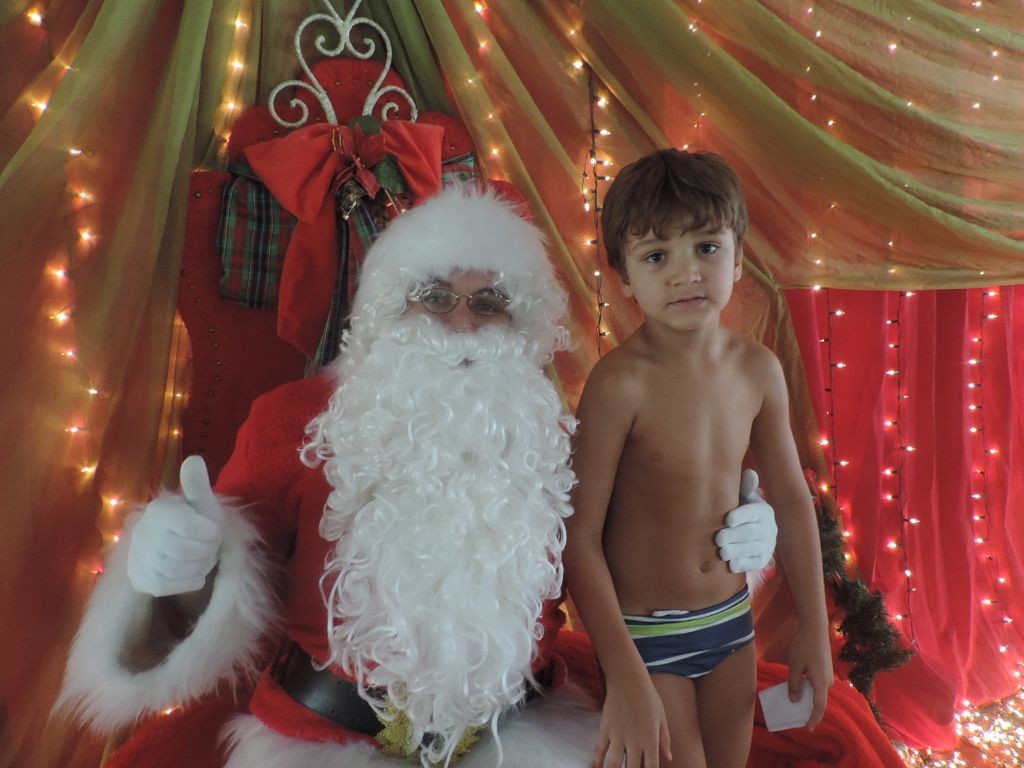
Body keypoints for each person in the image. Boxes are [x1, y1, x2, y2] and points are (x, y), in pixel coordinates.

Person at [57, 184, 779, 768]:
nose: (461, 325)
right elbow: (226, 594)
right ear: (386, 309)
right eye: (434, 297)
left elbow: (623, 558)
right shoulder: (295, 418)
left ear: (522, 326)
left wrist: (731, 540)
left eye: (489, 304)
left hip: (521, 735)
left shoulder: (548, 433)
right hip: (326, 740)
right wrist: (175, 569)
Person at [563, 150, 834, 768]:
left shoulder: (758, 369)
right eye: (657, 256)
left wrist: (814, 630)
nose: (686, 273)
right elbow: (579, 537)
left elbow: (793, 500)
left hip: (731, 625)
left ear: (737, 258)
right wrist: (624, 675)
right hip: (645, 640)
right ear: (624, 276)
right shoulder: (619, 384)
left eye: (706, 248)